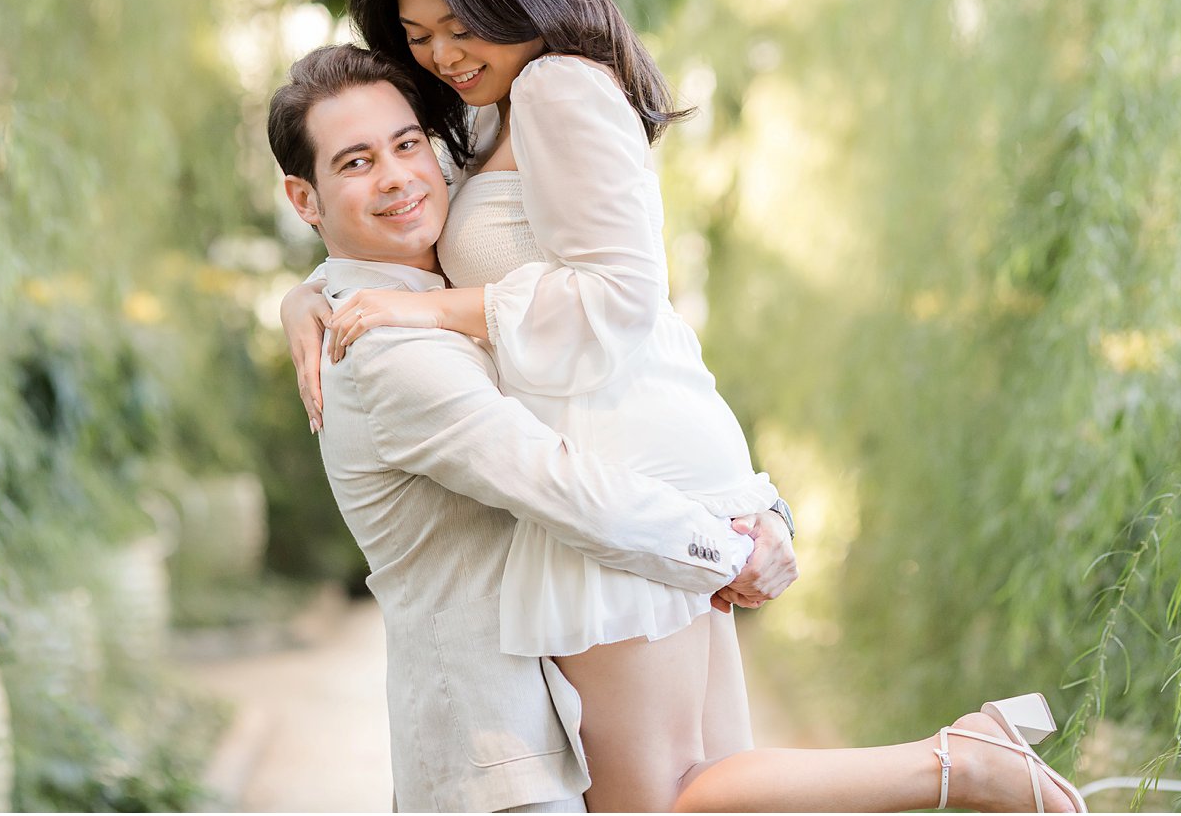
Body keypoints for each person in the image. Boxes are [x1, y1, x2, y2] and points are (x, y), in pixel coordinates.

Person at [279, 0, 1085, 814]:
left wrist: (436, 313)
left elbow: (624, 298)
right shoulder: (492, 110)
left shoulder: (554, 86)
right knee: (694, 785)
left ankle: (958, 762)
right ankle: (958, 762)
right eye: (419, 38)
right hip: (629, 444)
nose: (445, 56)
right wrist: (314, 293)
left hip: (614, 456)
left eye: (461, 26)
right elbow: (395, 218)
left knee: (653, 799)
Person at [266, 43, 795, 813]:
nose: (397, 175)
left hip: (548, 726)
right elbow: (562, 485)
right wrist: (733, 548)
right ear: (304, 199)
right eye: (354, 162)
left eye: (408, 143)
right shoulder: (389, 350)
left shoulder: (434, 287)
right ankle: (948, 765)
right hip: (498, 756)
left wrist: (308, 289)